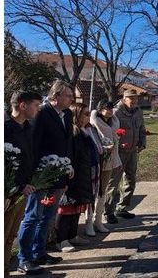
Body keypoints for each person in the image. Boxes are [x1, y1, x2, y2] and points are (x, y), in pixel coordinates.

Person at [16, 80, 75, 275]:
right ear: (56, 96)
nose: (71, 99)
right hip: (41, 175)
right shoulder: (41, 114)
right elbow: (33, 145)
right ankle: (24, 258)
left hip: (59, 173)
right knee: (33, 216)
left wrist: (68, 166)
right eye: (68, 95)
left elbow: (68, 143)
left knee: (48, 216)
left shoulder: (67, 114)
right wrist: (33, 176)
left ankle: (39, 252)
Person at [4, 91, 42, 277]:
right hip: (8, 192)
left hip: (23, 189)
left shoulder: (27, 127)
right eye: (35, 104)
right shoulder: (4, 128)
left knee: (11, 235)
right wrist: (15, 187)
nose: (38, 108)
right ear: (22, 105)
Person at [54, 103, 100, 252]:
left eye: (88, 113)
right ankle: (61, 240)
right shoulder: (73, 133)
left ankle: (73, 235)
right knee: (66, 208)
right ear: (77, 115)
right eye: (85, 113)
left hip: (84, 174)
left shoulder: (85, 131)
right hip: (73, 176)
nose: (88, 116)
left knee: (77, 207)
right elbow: (70, 155)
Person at [105, 89, 146, 223]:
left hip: (133, 151)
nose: (134, 101)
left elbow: (141, 128)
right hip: (119, 152)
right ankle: (108, 211)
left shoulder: (138, 111)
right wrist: (116, 145)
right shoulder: (116, 112)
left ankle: (121, 208)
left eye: (135, 99)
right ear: (124, 98)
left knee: (130, 180)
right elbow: (108, 132)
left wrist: (142, 142)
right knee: (114, 182)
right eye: (130, 98)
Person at [88, 99, 122, 233]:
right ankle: (88, 222)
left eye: (111, 108)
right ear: (100, 109)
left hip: (109, 161)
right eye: (106, 108)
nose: (109, 111)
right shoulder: (93, 123)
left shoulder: (114, 123)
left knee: (102, 192)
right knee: (93, 192)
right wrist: (103, 148)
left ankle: (98, 221)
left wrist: (116, 159)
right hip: (96, 162)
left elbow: (116, 144)